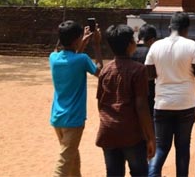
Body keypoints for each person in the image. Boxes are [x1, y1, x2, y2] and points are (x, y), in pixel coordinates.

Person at [146, 12, 195, 177]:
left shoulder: (156, 46)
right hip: (185, 103)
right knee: (182, 147)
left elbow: (149, 74)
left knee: (161, 147)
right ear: (187, 29)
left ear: (169, 27)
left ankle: (151, 175)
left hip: (162, 103)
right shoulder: (192, 45)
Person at [96, 24, 156, 177]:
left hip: (108, 131)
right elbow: (142, 106)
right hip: (132, 133)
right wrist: (150, 137)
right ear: (130, 44)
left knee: (113, 173)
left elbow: (100, 102)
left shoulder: (105, 70)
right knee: (139, 172)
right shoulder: (138, 70)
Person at [50, 20, 102, 177]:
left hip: (57, 117)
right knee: (65, 161)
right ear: (76, 40)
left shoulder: (53, 58)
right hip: (73, 119)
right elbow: (100, 72)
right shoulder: (82, 59)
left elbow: (69, 57)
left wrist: (80, 42)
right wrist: (97, 45)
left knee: (72, 158)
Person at [131, 24, 158, 116]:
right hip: (148, 94)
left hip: (131, 93)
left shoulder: (129, 51)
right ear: (152, 40)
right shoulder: (152, 52)